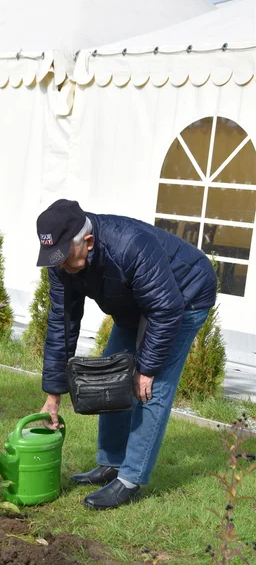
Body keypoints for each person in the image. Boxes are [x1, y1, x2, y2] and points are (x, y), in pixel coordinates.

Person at [37, 199, 217, 509]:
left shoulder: (130, 246)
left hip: (183, 297)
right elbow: (61, 323)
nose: (59, 265)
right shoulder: (62, 263)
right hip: (138, 303)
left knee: (149, 389)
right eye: (53, 258)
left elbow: (166, 308)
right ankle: (111, 464)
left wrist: (146, 368)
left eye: (64, 256)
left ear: (88, 242)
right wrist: (53, 395)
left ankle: (130, 479)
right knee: (111, 378)